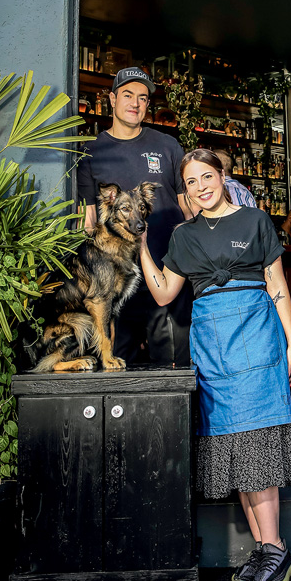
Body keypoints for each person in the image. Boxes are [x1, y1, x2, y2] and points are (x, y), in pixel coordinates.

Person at [140, 149, 291, 581]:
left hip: (257, 335)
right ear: (185, 190)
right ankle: (261, 546)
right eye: (191, 182)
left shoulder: (254, 221)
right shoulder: (183, 236)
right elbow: (162, 293)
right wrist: (139, 243)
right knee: (233, 444)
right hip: (212, 348)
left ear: (221, 176)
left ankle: (277, 549)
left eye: (206, 177)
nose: (200, 187)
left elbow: (278, 288)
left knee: (256, 440)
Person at [77, 66, 193, 366]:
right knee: (120, 364)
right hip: (115, 280)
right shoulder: (91, 152)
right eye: (128, 95)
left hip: (168, 274)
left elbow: (188, 207)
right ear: (112, 99)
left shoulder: (167, 145)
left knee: (173, 366)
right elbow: (89, 222)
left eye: (142, 98)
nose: (135, 103)